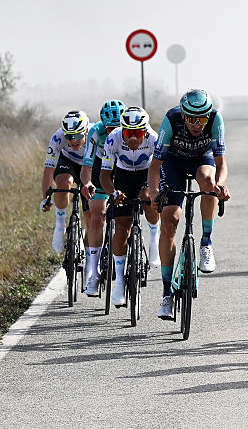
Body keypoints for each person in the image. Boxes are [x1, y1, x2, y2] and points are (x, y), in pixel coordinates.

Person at [147, 89, 230, 321]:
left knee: (208, 182)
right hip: (173, 163)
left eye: (201, 119)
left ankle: (206, 242)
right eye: (191, 119)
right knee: (170, 221)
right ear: (183, 115)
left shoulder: (215, 119)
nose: (197, 124)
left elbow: (222, 163)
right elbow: (154, 167)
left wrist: (220, 185)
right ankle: (166, 295)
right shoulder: (171, 119)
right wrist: (154, 193)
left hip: (201, 161)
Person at [98, 106, 159, 307]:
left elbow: (161, 170)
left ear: (145, 131)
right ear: (122, 130)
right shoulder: (113, 138)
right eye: (128, 133)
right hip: (123, 176)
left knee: (147, 197)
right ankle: (119, 282)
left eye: (137, 133)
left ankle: (154, 237)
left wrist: (156, 192)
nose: (132, 138)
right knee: (122, 228)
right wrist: (113, 193)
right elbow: (105, 176)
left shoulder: (153, 139)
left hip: (146, 174)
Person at [79, 99, 127, 297]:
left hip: (123, 166)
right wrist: (87, 183)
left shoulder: (132, 131)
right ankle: (93, 273)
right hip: (101, 167)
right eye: (109, 128)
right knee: (97, 217)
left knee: (126, 217)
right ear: (102, 125)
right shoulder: (95, 132)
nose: (112, 132)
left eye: (117, 127)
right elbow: (87, 165)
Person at [39, 110, 91, 253]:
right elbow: (49, 168)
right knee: (63, 182)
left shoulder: (95, 134)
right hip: (68, 161)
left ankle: (89, 250)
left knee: (91, 214)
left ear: (86, 131)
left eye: (78, 136)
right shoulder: (57, 137)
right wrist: (46, 197)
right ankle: (60, 224)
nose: (73, 140)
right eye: (69, 136)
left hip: (90, 164)